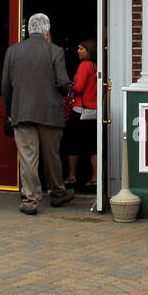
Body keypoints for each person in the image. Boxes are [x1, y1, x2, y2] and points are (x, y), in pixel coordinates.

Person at [1, 13, 74, 215]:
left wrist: (9, 110)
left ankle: (31, 199)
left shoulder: (13, 51)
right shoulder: (55, 51)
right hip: (49, 112)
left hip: (22, 111)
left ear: (28, 30)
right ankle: (57, 193)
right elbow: (62, 82)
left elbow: (6, 86)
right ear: (46, 32)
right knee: (52, 156)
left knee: (28, 157)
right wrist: (66, 91)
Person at [66, 39, 98, 189]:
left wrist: (69, 84)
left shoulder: (84, 65)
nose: (78, 51)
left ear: (89, 50)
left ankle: (72, 176)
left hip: (80, 110)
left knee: (72, 144)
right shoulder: (94, 65)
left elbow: (78, 87)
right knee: (92, 145)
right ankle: (95, 177)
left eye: (81, 49)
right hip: (93, 110)